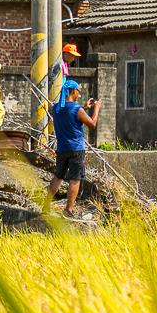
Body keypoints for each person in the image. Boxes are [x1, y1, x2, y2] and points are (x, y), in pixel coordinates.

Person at [47, 82, 102, 217]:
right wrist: (96, 108)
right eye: (78, 91)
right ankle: (69, 210)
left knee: (58, 176)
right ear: (73, 91)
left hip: (62, 149)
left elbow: (70, 115)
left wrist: (84, 107)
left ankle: (45, 206)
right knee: (75, 179)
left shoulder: (56, 108)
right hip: (76, 149)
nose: (79, 93)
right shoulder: (77, 109)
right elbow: (92, 124)